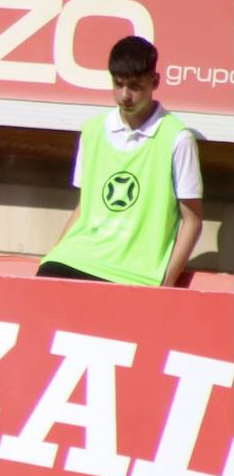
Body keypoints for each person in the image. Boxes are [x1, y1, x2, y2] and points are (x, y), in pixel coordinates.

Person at [37, 35, 203, 287]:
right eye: (118, 84)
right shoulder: (93, 130)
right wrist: (54, 254)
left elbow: (192, 220)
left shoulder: (177, 139)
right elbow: (85, 206)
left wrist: (166, 284)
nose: (125, 95)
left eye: (135, 86)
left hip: (133, 274)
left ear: (154, 81)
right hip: (76, 259)